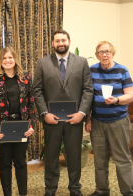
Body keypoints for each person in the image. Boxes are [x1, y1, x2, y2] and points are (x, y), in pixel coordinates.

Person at [33, 30, 94, 196]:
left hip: (74, 119)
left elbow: (88, 90)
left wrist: (82, 113)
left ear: (69, 41)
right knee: (51, 156)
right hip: (51, 119)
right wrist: (44, 113)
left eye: (63, 40)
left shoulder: (81, 63)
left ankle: (75, 189)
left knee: (74, 156)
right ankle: (50, 189)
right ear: (53, 43)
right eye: (57, 41)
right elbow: (37, 90)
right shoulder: (42, 63)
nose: (61, 43)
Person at [86, 41, 133, 196]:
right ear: (96, 55)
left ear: (113, 53)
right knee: (100, 160)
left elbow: (130, 95)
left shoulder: (122, 70)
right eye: (101, 52)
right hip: (98, 122)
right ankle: (102, 190)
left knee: (122, 159)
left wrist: (117, 100)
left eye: (107, 52)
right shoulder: (91, 70)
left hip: (118, 121)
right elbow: (86, 97)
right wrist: (88, 119)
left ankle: (128, 192)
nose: (104, 55)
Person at [0, 47, 35, 196]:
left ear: (15, 59)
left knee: (21, 163)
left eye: (10, 57)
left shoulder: (26, 77)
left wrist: (32, 125)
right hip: (3, 127)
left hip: (22, 125)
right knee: (6, 164)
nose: (7, 61)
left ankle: (23, 193)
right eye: (4, 58)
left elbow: (31, 103)